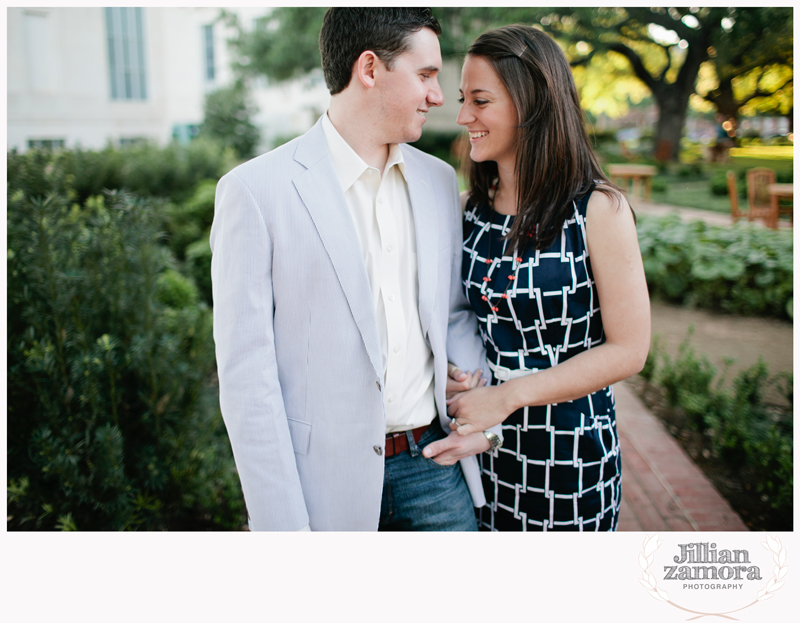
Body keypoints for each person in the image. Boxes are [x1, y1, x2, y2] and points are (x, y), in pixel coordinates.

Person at [210, 7, 499, 531]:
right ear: (369, 69)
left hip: (435, 468)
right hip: (322, 486)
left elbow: (453, 312)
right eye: (426, 76)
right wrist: (282, 529)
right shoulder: (254, 192)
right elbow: (247, 379)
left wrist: (474, 394)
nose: (438, 97)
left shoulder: (437, 182)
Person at [441, 25, 650, 531]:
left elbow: (629, 349)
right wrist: (457, 372)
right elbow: (462, 318)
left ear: (529, 103)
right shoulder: (467, 212)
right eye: (463, 99)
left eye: (480, 101)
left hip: (570, 461)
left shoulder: (597, 210)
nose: (464, 116)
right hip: (481, 457)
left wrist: (509, 395)